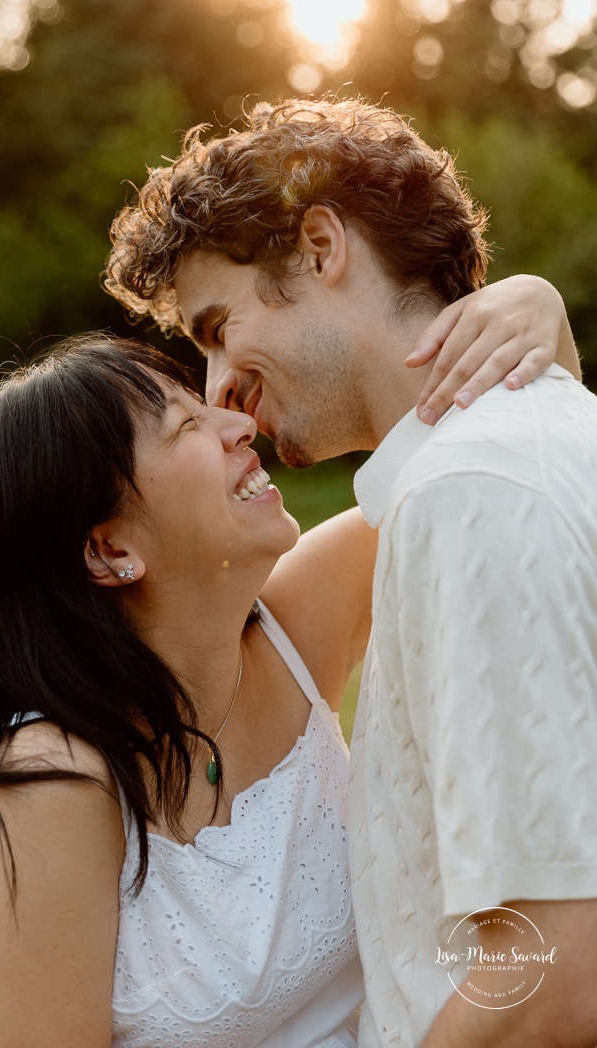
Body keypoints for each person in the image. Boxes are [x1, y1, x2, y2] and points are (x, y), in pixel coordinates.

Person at [0, 328, 564, 1048]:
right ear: (109, 549)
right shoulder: (47, 786)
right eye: (185, 424)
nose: (239, 422)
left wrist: (542, 323)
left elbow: (501, 476)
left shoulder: (296, 622)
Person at [103, 96, 595, 1047]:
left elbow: (554, 969)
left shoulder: (471, 495)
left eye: (215, 328)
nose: (218, 395)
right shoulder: (512, 451)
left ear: (319, 246)